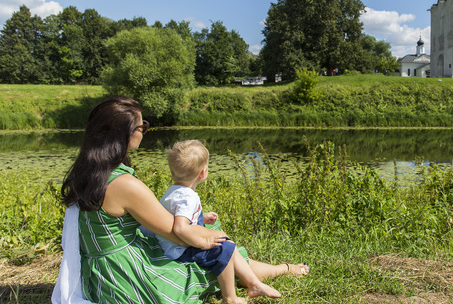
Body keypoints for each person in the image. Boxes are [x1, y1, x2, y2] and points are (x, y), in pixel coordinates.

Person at [53, 96, 309, 304]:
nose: (144, 131)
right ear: (126, 133)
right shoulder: (125, 185)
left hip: (97, 270)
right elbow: (177, 233)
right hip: (124, 277)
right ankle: (282, 270)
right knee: (223, 252)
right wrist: (214, 235)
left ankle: (275, 271)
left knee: (215, 243)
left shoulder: (88, 171)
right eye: (143, 126)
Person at [156, 139, 280, 303]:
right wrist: (203, 243)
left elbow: (178, 216)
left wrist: (201, 217)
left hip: (171, 245)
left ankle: (254, 283)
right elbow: (180, 228)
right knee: (224, 248)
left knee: (225, 242)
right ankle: (230, 297)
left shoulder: (174, 191)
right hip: (179, 250)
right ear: (203, 173)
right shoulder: (188, 197)